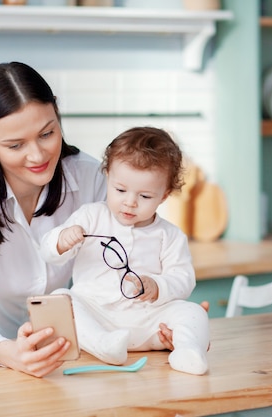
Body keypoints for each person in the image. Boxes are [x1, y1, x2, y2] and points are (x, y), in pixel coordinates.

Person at [0, 62, 184, 378]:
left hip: (54, 351)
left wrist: (166, 312)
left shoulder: (89, 178)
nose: (37, 155)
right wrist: (9, 353)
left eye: (47, 133)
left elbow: (126, 261)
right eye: (15, 145)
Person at [40, 127, 210, 375]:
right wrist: (61, 240)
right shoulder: (90, 216)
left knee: (193, 312)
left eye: (144, 196)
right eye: (120, 190)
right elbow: (48, 252)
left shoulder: (170, 235)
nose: (130, 202)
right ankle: (104, 344)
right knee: (61, 298)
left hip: (147, 321)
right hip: (96, 315)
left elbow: (184, 278)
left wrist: (157, 286)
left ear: (163, 196)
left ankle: (187, 351)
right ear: (108, 176)